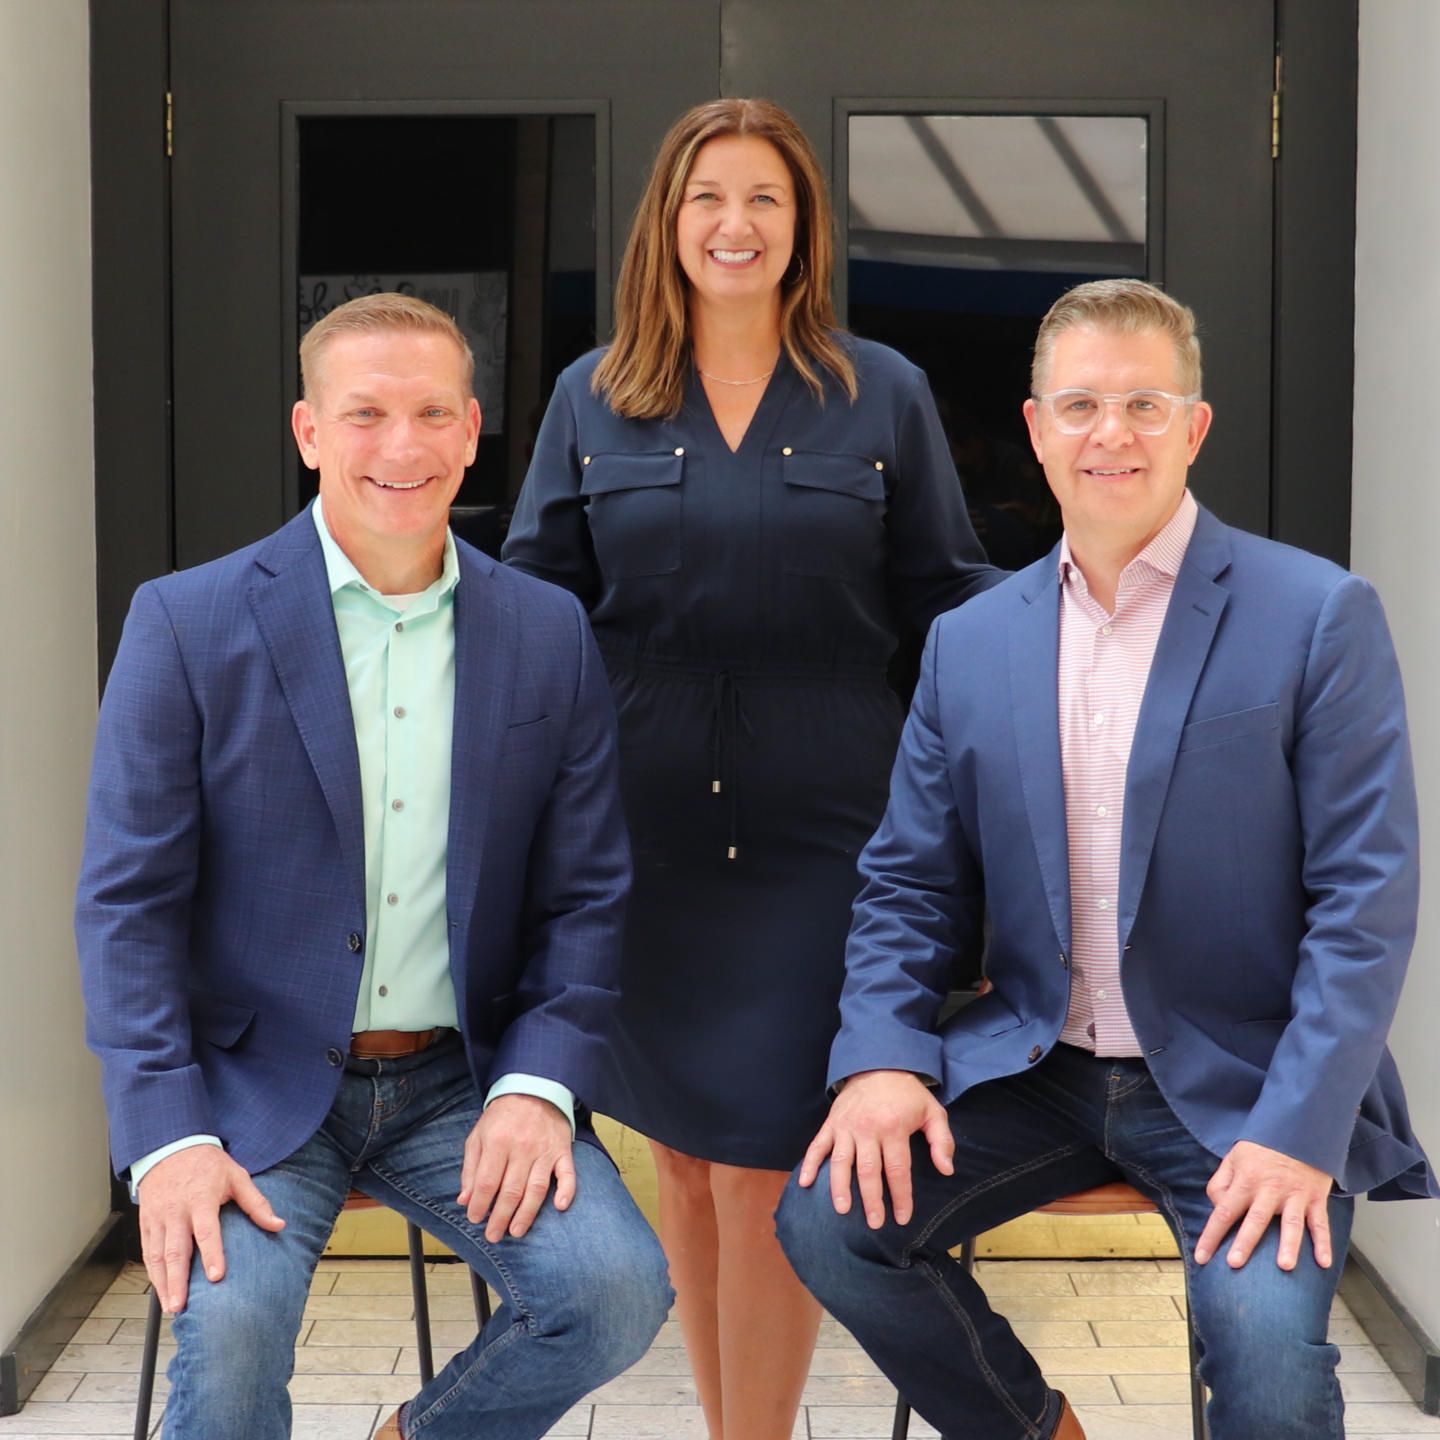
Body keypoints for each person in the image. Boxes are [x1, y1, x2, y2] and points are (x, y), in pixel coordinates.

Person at [776, 278, 1436, 1440]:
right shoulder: (971, 642)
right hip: (1037, 1064)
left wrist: (1295, 1134)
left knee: (1265, 1350)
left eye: (1144, 403)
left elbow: (1364, 901)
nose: (1111, 433)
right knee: (830, 1221)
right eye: (1080, 404)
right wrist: (880, 1057)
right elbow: (908, 884)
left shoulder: (1317, 614)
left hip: (1249, 1081)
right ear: (1037, 429)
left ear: (1194, 427)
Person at [75, 293, 671, 1440]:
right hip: (252, 1089)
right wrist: (167, 1138)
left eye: (432, 413)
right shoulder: (187, 623)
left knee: (612, 1291)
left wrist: (538, 1087)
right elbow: (126, 907)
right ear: (309, 432)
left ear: (472, 429)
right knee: (232, 1330)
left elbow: (586, 895)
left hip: (460, 1079)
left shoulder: (546, 632)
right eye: (365, 414)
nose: (403, 444)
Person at [502, 98, 1001, 1440]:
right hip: (642, 824)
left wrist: (1096, 622)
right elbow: (537, 606)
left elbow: (947, 593)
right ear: (667, 222)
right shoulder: (592, 395)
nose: (736, 224)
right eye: (708, 197)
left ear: (803, 226)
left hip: (829, 826)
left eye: (764, 198)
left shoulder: (880, 391)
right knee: (683, 1156)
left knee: (772, 1163)